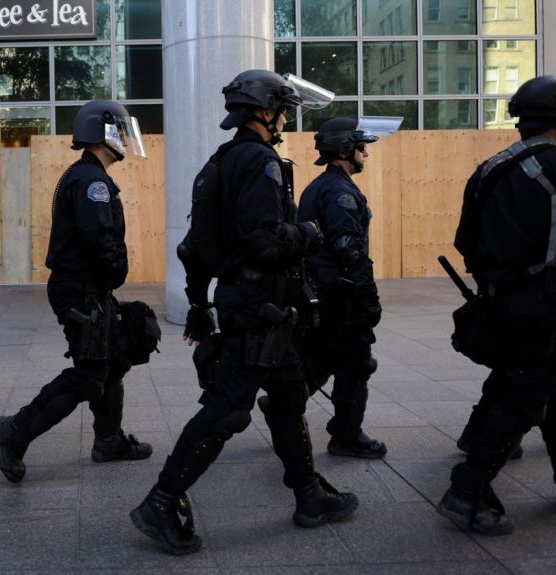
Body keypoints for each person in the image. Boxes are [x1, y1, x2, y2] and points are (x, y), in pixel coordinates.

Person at [129, 70, 358, 555]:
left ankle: (308, 494)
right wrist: (308, 235)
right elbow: (265, 240)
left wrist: (198, 303)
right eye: (283, 111)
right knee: (227, 411)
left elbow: (193, 247)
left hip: (259, 307)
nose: (284, 122)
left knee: (289, 398)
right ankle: (161, 500)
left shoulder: (220, 162)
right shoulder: (259, 162)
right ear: (265, 110)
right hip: (259, 308)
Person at [438, 74, 556, 535]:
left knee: (553, 384)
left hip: (500, 304)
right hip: (550, 307)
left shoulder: (488, 168)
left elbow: (466, 241)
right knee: (522, 397)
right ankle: (467, 491)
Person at [0, 100, 152, 484]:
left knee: (113, 363)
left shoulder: (88, 176)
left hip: (88, 288)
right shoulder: (91, 181)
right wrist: (117, 270)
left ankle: (108, 441)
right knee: (89, 375)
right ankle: (14, 432)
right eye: (120, 132)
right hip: (81, 290)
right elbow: (98, 238)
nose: (125, 140)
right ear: (103, 133)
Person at [292, 116, 393, 459]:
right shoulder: (340, 193)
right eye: (361, 147)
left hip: (322, 291)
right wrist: (368, 295)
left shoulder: (318, 187)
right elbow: (349, 249)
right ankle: (347, 437)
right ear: (345, 149)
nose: (365, 154)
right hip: (342, 294)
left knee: (322, 356)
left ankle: (286, 403)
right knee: (355, 362)